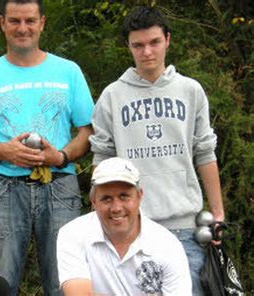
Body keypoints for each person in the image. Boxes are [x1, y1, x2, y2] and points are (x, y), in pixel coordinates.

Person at [89, 6, 224, 295]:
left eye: (154, 42)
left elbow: (205, 152)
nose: (147, 51)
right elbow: (101, 160)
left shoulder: (191, 91)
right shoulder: (112, 96)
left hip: (185, 227)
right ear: (128, 46)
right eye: (138, 45)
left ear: (168, 40)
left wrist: (218, 213)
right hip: (131, 225)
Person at [0, 0, 94, 294]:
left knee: (65, 281)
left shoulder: (68, 71)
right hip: (2, 186)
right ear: (2, 23)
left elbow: (88, 132)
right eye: (15, 21)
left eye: (30, 21)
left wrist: (59, 156)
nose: (23, 28)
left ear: (42, 22)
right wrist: (3, 151)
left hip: (59, 183)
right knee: (0, 284)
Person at [57, 157, 192, 295]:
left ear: (139, 196)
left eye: (124, 196)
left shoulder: (167, 245)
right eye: (106, 199)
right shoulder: (72, 234)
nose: (116, 208)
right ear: (93, 201)